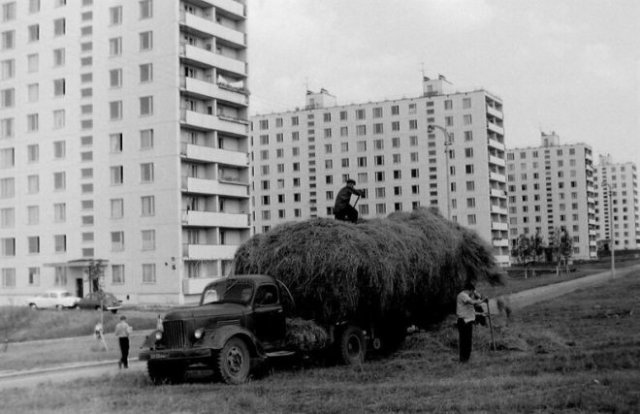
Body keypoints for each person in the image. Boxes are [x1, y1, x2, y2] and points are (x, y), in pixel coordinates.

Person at [456, 281, 486, 362]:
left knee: (468, 341)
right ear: (470, 290)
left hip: (468, 321)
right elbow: (472, 302)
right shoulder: (462, 295)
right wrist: (482, 300)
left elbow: (471, 310)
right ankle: (463, 359)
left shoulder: (467, 296)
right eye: (472, 291)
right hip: (463, 321)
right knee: (464, 341)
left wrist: (481, 314)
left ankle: (466, 358)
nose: (472, 293)